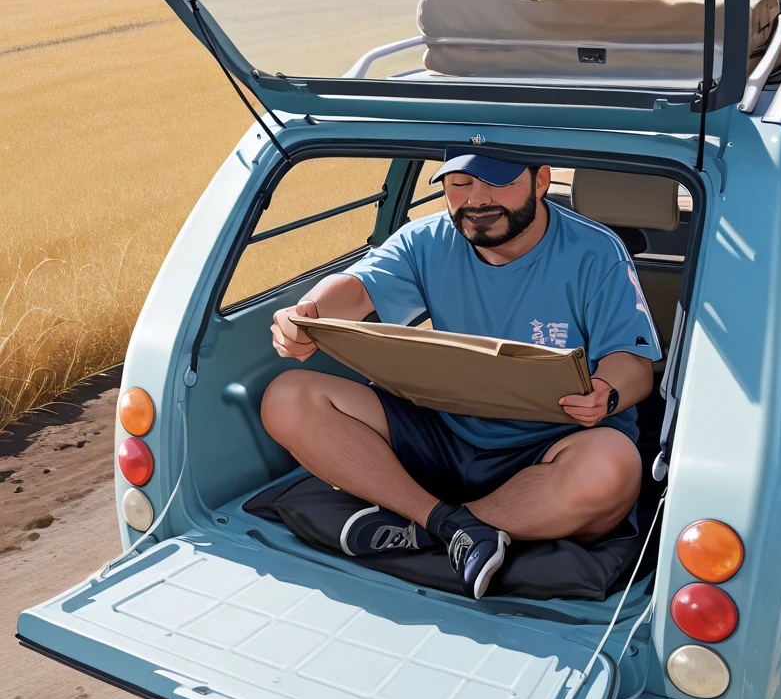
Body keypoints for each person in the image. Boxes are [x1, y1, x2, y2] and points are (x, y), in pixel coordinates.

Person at [261, 150, 661, 600]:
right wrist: (306, 313)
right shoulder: (426, 240)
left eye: (499, 183)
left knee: (614, 464)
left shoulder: (595, 251)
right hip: (442, 429)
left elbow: (634, 365)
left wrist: (605, 395)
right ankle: (450, 526)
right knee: (288, 396)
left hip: (550, 446)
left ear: (541, 180)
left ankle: (417, 530)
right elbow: (354, 291)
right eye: (460, 184)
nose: (478, 199)